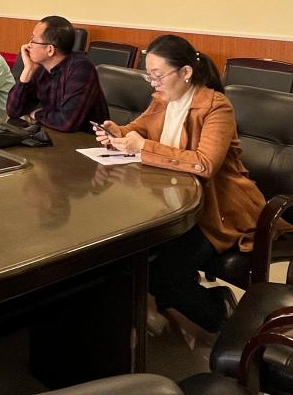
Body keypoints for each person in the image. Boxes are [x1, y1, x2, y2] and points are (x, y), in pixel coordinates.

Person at [93, 34, 274, 333]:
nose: (153, 84)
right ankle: (150, 306)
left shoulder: (216, 106)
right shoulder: (163, 99)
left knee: (163, 272)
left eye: (158, 76)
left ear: (186, 72)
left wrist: (142, 147)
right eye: (149, 76)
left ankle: (221, 313)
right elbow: (140, 128)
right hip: (169, 199)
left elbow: (205, 163)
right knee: (127, 249)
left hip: (216, 208)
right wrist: (118, 133)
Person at [6, 15, 107, 132]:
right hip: (53, 133)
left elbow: (67, 122)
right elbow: (13, 111)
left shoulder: (81, 69)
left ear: (50, 50)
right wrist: (28, 70)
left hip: (85, 139)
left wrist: (36, 114)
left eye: (33, 39)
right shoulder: (40, 67)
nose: (28, 45)